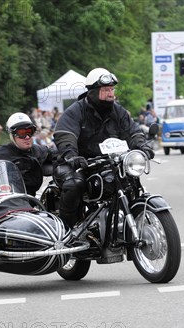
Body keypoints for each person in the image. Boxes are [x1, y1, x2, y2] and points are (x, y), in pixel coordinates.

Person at [53, 67, 154, 227]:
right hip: (81, 164)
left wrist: (143, 145)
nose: (111, 94)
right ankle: (66, 231)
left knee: (130, 180)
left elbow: (133, 131)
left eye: (112, 89)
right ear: (92, 91)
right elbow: (65, 135)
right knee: (74, 184)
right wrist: (72, 155)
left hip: (109, 163)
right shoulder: (75, 111)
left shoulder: (118, 111)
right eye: (106, 90)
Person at [0, 112, 56, 197]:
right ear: (12, 135)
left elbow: (56, 154)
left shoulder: (37, 150)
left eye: (30, 131)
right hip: (7, 201)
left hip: (29, 202)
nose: (27, 137)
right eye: (22, 133)